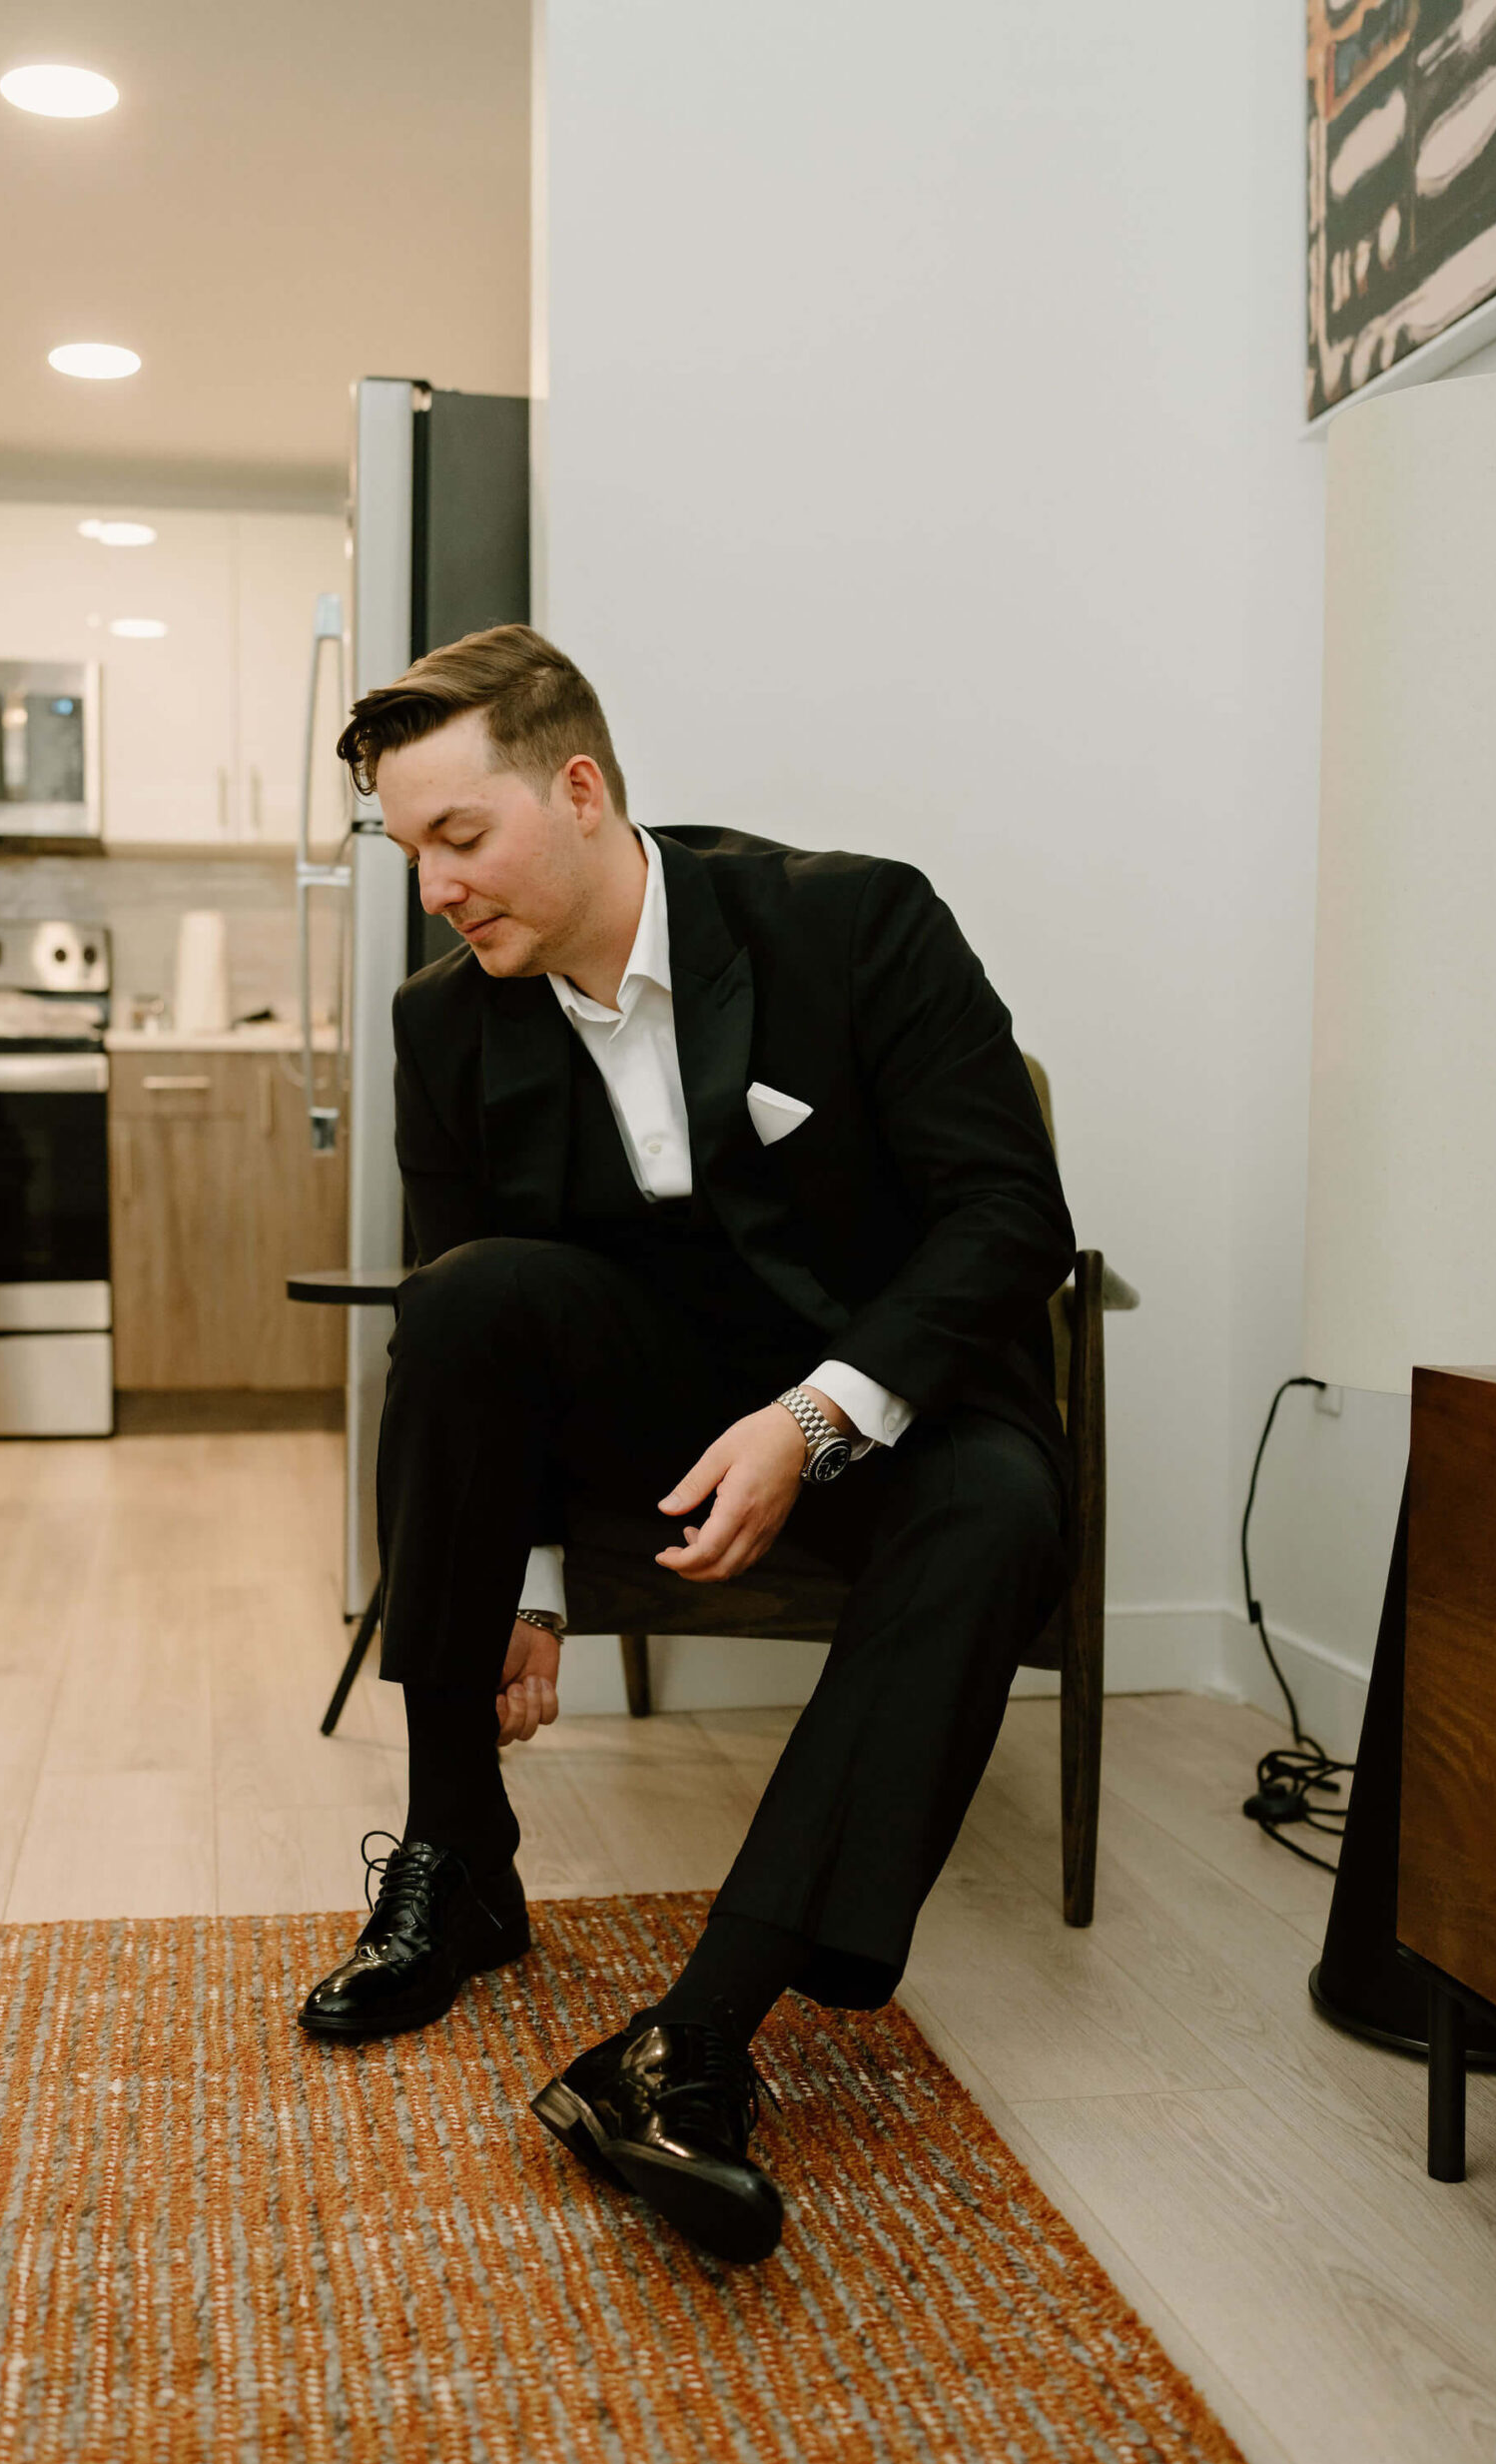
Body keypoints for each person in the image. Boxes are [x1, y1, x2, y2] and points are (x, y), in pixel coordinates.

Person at [298, 625, 1073, 2265]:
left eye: (461, 837)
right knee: (455, 1302)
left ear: (578, 790)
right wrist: (526, 1573)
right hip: (649, 1401)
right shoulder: (445, 1022)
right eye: (403, 849)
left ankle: (693, 2035)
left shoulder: (849, 919)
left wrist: (815, 1417)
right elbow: (477, 1310)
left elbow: (1010, 1215)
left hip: (884, 1395)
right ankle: (459, 1853)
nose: (434, 887)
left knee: (1003, 1503)